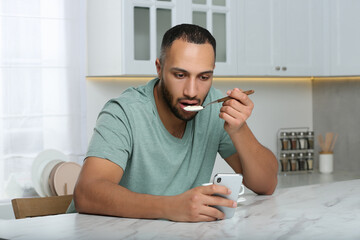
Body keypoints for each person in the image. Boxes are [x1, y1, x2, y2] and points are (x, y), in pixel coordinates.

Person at [68, 24, 278, 222]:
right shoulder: (124, 112)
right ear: (159, 68)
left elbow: (266, 185)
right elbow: (87, 193)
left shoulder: (214, 109)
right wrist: (171, 207)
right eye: (180, 75)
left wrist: (240, 130)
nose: (192, 91)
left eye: (204, 77)